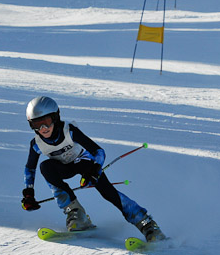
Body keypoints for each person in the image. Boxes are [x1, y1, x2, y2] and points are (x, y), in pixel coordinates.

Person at [20, 96, 165, 241]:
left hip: (85, 164)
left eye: (46, 122)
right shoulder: (36, 143)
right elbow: (30, 169)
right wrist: (29, 194)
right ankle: (76, 214)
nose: (43, 129)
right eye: (36, 125)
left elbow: (99, 151)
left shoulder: (69, 131)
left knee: (108, 193)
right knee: (46, 167)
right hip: (64, 168)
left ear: (55, 117)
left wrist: (95, 170)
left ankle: (148, 225)